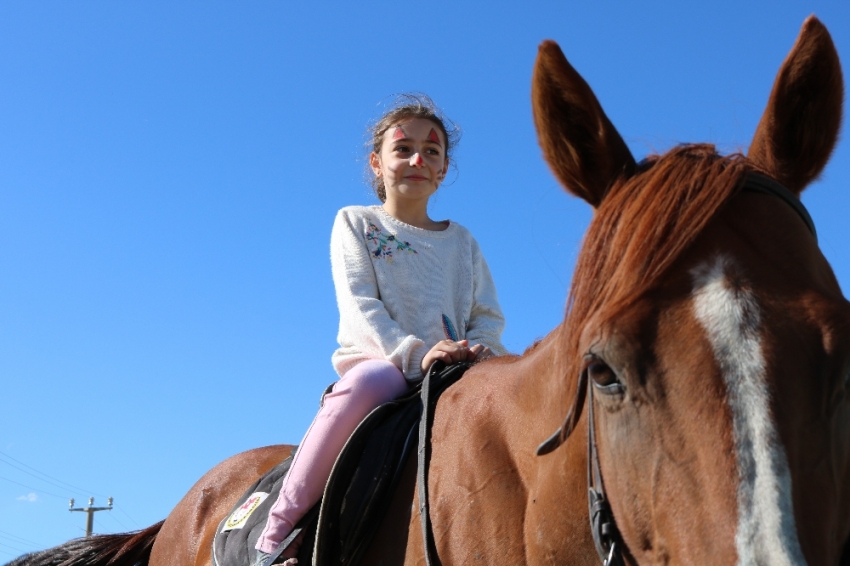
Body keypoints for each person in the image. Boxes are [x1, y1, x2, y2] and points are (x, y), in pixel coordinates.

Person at [254, 95, 507, 566]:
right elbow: (360, 305)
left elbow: (487, 315)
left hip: (454, 372)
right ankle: (278, 530)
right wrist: (416, 356)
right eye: (403, 148)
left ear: (444, 169)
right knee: (371, 382)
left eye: (432, 152)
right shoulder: (357, 223)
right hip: (387, 365)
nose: (418, 159)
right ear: (377, 161)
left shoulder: (463, 242)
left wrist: (482, 352)